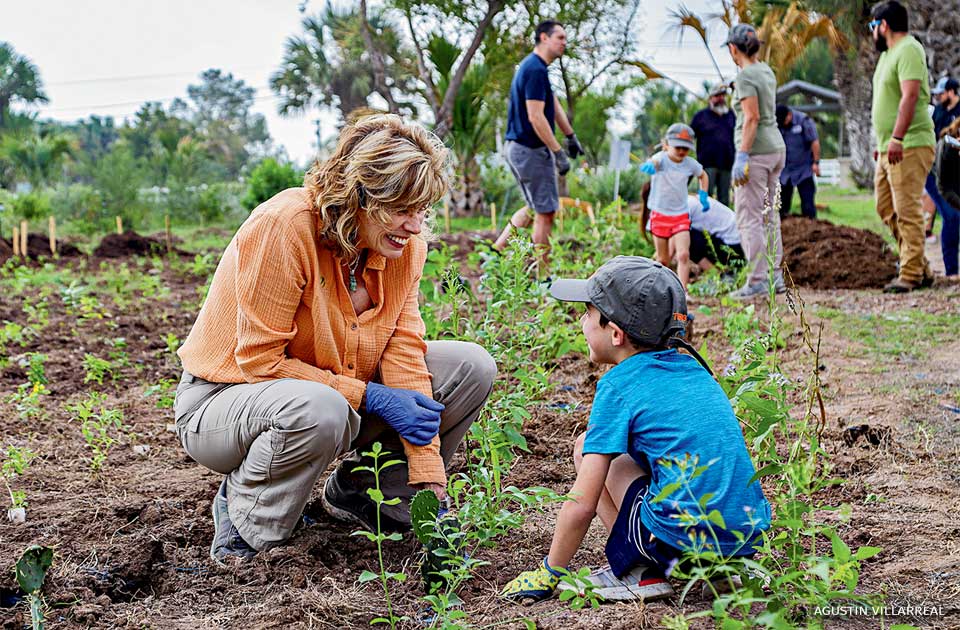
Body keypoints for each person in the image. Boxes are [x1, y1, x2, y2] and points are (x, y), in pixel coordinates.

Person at [173, 115, 498, 564]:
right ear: (361, 197)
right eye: (403, 210)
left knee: (471, 367)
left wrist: (431, 485)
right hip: (225, 401)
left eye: (422, 211)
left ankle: (368, 490)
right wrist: (372, 397)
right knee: (321, 409)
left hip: (329, 391)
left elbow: (404, 351)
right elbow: (259, 363)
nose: (415, 226)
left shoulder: (402, 248)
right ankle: (245, 520)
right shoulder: (285, 226)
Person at [499, 257, 770, 603]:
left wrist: (550, 571)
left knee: (587, 448)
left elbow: (582, 502)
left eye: (587, 312)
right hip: (742, 538)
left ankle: (640, 571)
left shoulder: (618, 385)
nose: (581, 322)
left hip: (677, 542)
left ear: (615, 333)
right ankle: (724, 573)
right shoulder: (696, 369)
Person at [492, 20, 583, 278]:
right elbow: (536, 116)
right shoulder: (535, 69)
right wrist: (557, 152)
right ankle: (542, 276)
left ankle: (495, 251)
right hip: (530, 150)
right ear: (544, 37)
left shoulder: (536, 68)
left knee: (534, 207)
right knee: (546, 212)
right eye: (560, 37)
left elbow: (552, 106)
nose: (565, 42)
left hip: (519, 149)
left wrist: (570, 135)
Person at [869, 1, 937, 292]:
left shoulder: (909, 48)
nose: (872, 32)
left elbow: (909, 97)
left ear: (883, 25)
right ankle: (920, 266)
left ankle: (910, 274)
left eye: (873, 26)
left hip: (910, 143)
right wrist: (884, 142)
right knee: (885, 206)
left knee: (907, 209)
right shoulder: (887, 55)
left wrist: (896, 137)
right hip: (889, 146)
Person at [725, 23, 787, 299]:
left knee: (748, 217)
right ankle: (774, 276)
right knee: (769, 215)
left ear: (733, 49)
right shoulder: (765, 71)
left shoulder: (746, 76)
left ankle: (757, 279)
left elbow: (751, 117)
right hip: (775, 148)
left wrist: (742, 155)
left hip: (756, 152)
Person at [639, 123, 711, 291]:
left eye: (685, 148)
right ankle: (657, 292)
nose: (681, 152)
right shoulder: (661, 159)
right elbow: (654, 161)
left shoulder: (689, 164)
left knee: (683, 255)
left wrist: (703, 194)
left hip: (680, 214)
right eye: (677, 147)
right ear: (666, 145)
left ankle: (682, 293)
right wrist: (650, 165)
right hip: (660, 215)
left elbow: (703, 175)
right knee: (663, 260)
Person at [640, 182, 745, 274]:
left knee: (685, 237)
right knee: (686, 235)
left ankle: (718, 274)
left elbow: (668, 254)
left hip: (735, 250)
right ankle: (717, 272)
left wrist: (650, 269)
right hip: (741, 245)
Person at [925, 77, 960, 274]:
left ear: (952, 92)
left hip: (954, 173)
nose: (938, 96)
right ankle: (952, 272)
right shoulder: (937, 112)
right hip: (934, 174)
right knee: (951, 216)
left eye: (942, 92)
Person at [690, 84, 737, 207]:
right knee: (706, 196)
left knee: (724, 199)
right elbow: (690, 137)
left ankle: (723, 225)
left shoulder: (731, 116)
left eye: (722, 95)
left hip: (727, 164)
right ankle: (704, 224)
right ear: (710, 98)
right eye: (717, 96)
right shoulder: (701, 116)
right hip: (707, 165)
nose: (720, 98)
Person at [775, 104, 821, 219]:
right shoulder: (777, 124)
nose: (783, 124)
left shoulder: (803, 121)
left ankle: (811, 227)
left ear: (789, 115)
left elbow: (814, 142)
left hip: (803, 169)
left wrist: (816, 162)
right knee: (782, 206)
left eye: (784, 121)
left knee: (808, 205)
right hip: (785, 171)